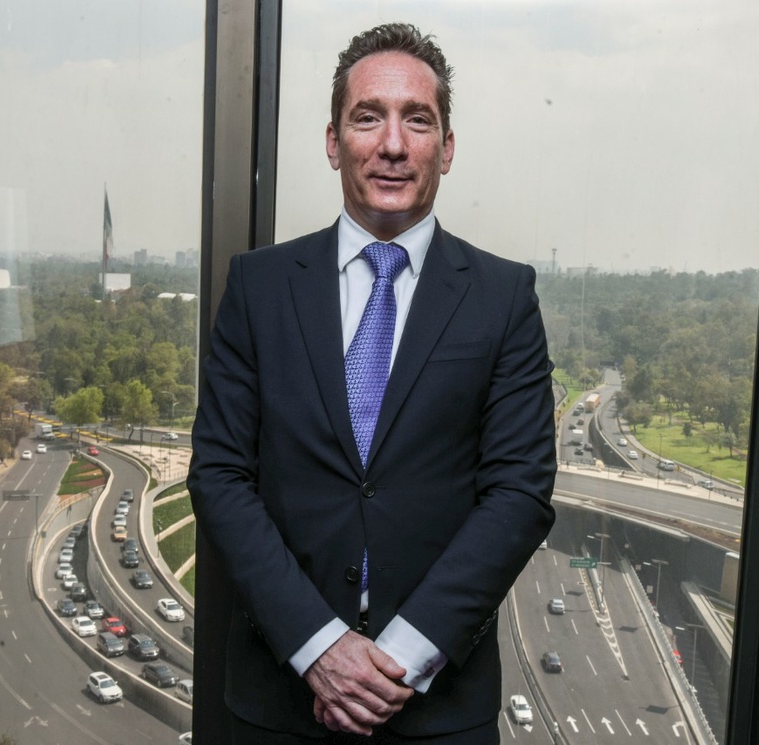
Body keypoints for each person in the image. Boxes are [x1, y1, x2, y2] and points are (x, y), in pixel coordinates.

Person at [189, 22, 556, 744]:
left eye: (417, 120)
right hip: (276, 707)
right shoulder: (259, 288)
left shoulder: (503, 298)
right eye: (368, 117)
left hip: (437, 713)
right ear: (333, 142)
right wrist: (319, 646)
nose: (392, 144)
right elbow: (220, 474)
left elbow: (518, 491)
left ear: (446, 148)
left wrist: (400, 660)